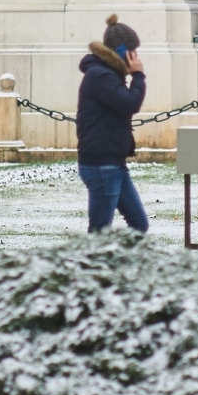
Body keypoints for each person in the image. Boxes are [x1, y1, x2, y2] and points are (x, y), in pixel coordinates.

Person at [76, 14, 149, 234]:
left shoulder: (107, 75)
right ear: (122, 51)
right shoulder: (100, 76)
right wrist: (138, 76)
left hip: (113, 163)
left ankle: (117, 266)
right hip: (102, 165)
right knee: (99, 231)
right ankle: (89, 267)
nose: (136, 57)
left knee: (138, 225)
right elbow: (129, 104)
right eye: (133, 52)